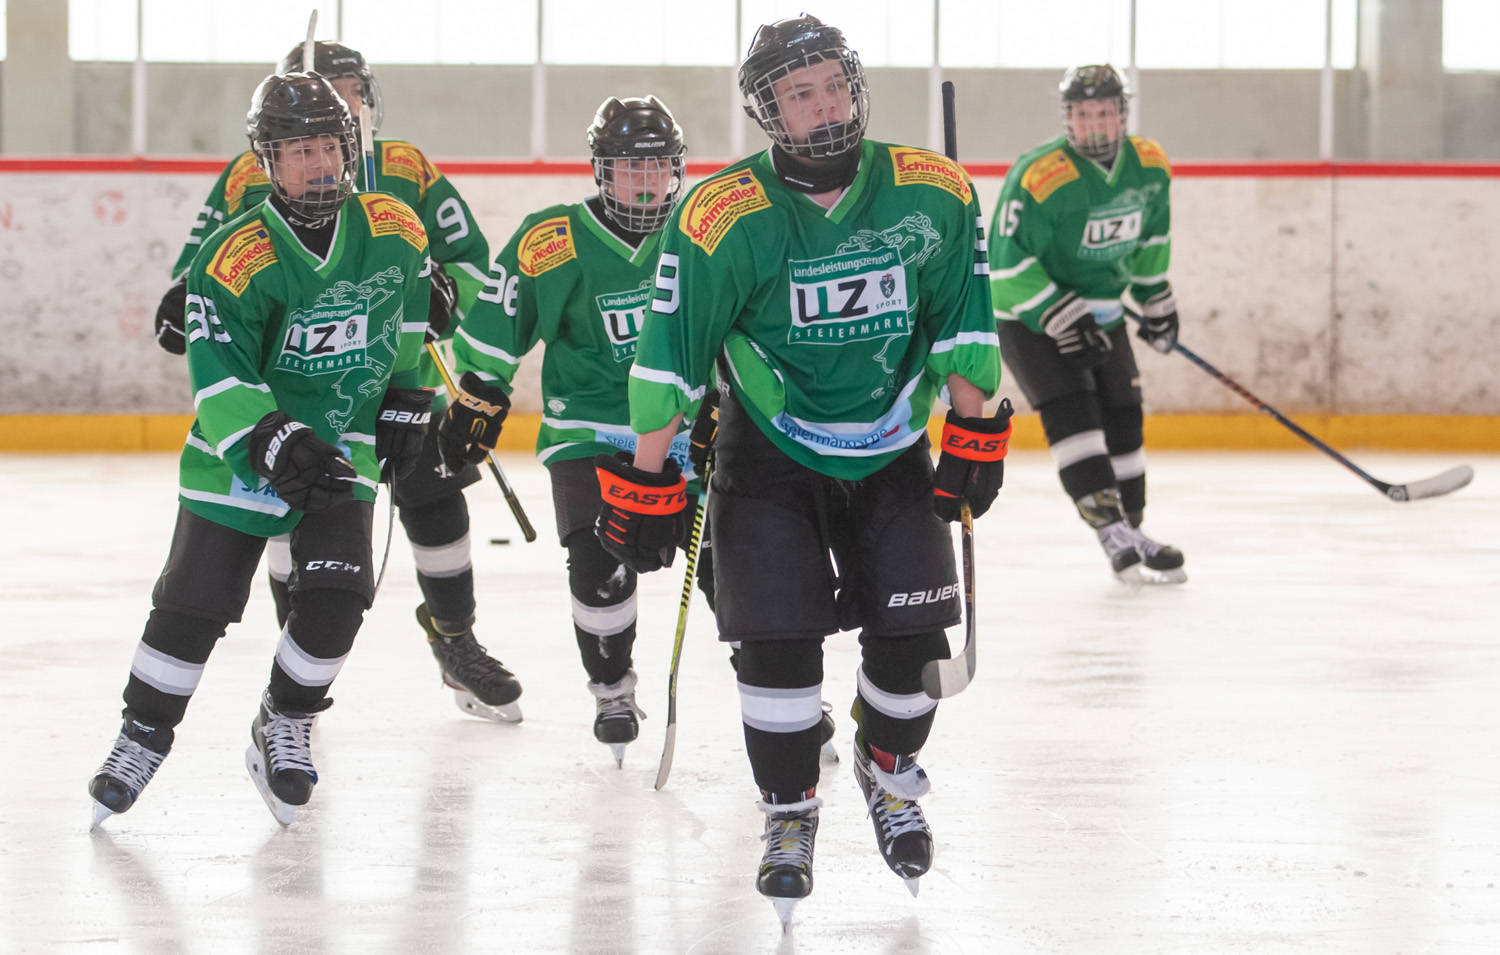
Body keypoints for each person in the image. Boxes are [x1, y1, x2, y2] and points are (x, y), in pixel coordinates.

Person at [587, 16, 1004, 924]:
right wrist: (649, 479)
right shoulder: (721, 215)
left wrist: (974, 432)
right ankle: (788, 812)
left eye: (834, 85)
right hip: (769, 446)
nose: (825, 107)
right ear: (768, 111)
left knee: (916, 638)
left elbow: (963, 320)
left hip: (892, 438)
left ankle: (886, 767)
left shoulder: (933, 191)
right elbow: (671, 354)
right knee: (776, 644)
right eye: (800, 93)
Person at [443, 96, 839, 767]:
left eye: (658, 166)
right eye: (631, 168)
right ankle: (611, 690)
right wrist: (480, 391)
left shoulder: (706, 228)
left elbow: (751, 326)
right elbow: (496, 327)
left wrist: (728, 401)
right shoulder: (553, 239)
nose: (647, 181)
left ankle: (781, 691)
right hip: (590, 429)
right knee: (599, 560)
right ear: (602, 170)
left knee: (732, 564)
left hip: (687, 428)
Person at [89, 72, 432, 827]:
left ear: (350, 148)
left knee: (340, 598)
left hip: (341, 443)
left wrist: (410, 392)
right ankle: (143, 734)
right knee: (193, 607)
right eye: (298, 151)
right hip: (240, 454)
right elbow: (219, 377)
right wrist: (271, 438)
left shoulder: (396, 228)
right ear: (268, 162)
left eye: (329, 146)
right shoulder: (233, 256)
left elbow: (408, 315)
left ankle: (286, 716)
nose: (319, 164)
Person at [153, 40, 522, 722]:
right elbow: (203, 271)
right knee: (292, 507)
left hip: (396, 368)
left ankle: (456, 639)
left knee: (436, 496)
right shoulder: (251, 174)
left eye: (350, 87)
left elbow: (473, 261)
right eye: (326, 86)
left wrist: (446, 293)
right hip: (299, 383)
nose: (342, 101)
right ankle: (299, 652)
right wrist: (181, 301)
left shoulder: (405, 165)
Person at [987, 64, 1186, 584]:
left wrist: (1156, 300)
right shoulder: (1040, 175)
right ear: (1067, 118)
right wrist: (1057, 312)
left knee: (1125, 415)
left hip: (1103, 313)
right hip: (1031, 318)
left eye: (1103, 112)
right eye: (1081, 114)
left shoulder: (1150, 166)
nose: (1093, 124)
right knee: (1075, 416)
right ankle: (1111, 533)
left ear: (1123, 113)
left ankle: (1133, 527)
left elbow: (1151, 241)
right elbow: (1004, 265)